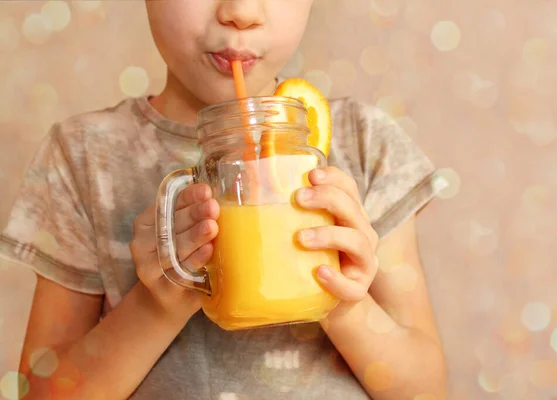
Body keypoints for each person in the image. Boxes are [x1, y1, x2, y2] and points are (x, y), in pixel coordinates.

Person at [0, 1, 446, 399]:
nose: (242, 12)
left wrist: (343, 302)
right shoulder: (82, 156)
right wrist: (154, 305)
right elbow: (42, 392)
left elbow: (426, 389)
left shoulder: (365, 146)